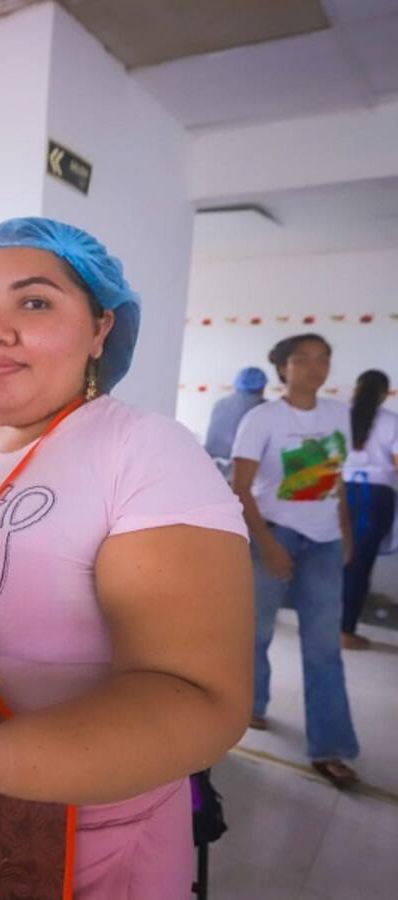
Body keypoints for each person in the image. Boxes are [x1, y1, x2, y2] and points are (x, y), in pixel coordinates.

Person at [0, 218, 253, 899]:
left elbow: (202, 701)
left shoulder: (144, 451)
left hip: (82, 838)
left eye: (33, 302)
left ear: (101, 328)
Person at [230, 333, 360, 788]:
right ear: (283, 368)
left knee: (324, 647)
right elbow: (240, 487)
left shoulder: (339, 414)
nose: (315, 367)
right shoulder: (262, 418)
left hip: (323, 540)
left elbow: (336, 480)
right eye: (303, 359)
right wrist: (266, 543)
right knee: (256, 633)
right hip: (275, 534)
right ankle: (250, 705)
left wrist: (345, 533)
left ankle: (330, 746)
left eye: (323, 358)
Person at [341, 369, 398, 650]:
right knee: (359, 565)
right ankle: (345, 630)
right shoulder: (392, 421)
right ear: (385, 393)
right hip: (375, 497)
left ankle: (324, 628)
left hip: (338, 493)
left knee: (333, 561)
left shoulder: (339, 416)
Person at [205, 365, 267, 476]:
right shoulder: (263, 407)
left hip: (212, 466)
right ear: (262, 387)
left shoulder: (220, 403)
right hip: (238, 471)